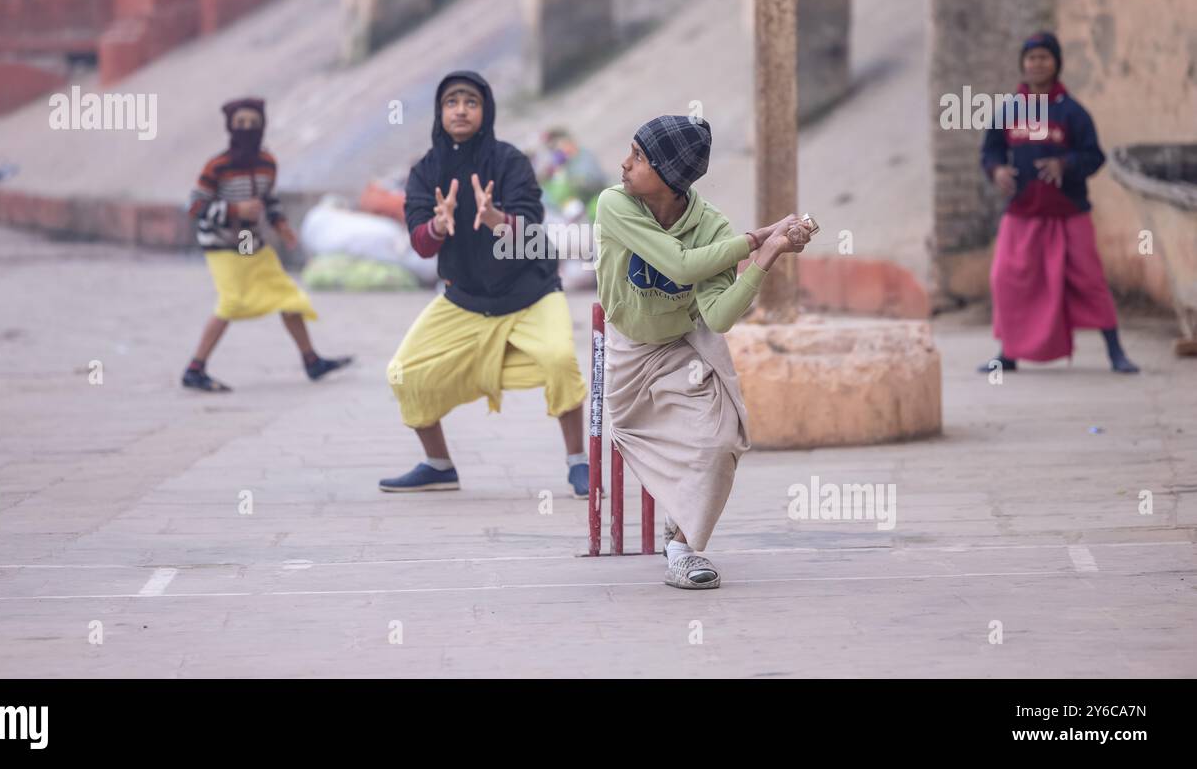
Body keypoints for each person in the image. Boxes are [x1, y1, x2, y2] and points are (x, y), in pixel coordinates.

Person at [594, 114, 812, 589]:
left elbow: (718, 318)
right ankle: (679, 529)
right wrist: (756, 239)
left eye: (639, 157)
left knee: (719, 442)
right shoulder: (614, 204)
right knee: (637, 433)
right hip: (630, 347)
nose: (625, 164)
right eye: (631, 151)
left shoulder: (712, 226)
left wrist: (763, 260)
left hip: (685, 343)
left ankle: (682, 547)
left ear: (671, 178)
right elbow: (678, 263)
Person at [380, 71, 590, 497]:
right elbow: (420, 244)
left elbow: (532, 230)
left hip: (531, 292)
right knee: (403, 372)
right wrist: (438, 225)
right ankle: (438, 465)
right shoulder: (425, 171)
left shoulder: (510, 161)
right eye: (452, 101)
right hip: (465, 299)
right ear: (440, 112)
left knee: (558, 358)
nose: (461, 109)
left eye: (471, 102)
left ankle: (577, 462)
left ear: (485, 111)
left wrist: (498, 220)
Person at [979, 32, 1139, 374]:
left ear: (1056, 63)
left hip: (1068, 212)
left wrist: (1064, 165)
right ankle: (1007, 353)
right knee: (1005, 279)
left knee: (1089, 280)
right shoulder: (1009, 110)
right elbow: (990, 150)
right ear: (1022, 64)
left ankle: (1116, 352)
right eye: (1031, 57)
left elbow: (1094, 156)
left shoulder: (1072, 112)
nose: (1037, 63)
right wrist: (997, 171)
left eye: (1044, 57)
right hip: (1022, 212)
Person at [182, 98, 352, 392]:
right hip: (221, 242)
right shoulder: (217, 165)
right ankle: (195, 368)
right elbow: (195, 206)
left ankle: (311, 360)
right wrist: (234, 210)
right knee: (232, 300)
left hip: (249, 240)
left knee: (285, 294)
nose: (247, 129)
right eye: (241, 124)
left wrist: (281, 226)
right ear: (231, 128)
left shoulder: (267, 163)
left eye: (253, 124)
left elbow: (269, 198)